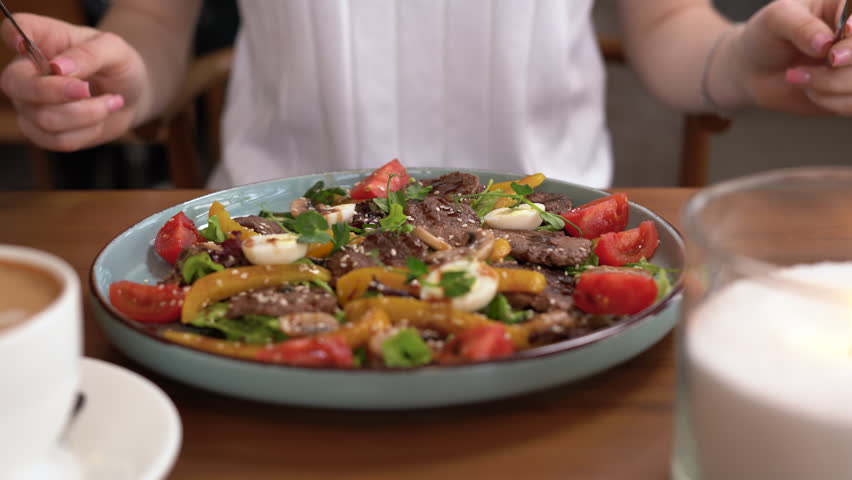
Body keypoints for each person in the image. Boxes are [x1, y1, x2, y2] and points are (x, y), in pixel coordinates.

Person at [1, 0, 850, 189]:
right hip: (268, 236)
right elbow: (154, 20)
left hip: (553, 261)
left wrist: (747, 62)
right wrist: (119, 77)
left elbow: (668, 26)